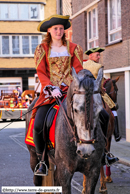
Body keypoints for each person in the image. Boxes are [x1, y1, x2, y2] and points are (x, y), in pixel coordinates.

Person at [32, 15, 83, 176]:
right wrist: (50, 87)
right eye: (56, 28)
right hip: (50, 93)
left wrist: (75, 86)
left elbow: (78, 70)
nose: (59, 31)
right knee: (38, 123)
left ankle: (103, 153)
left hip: (71, 91)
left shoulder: (74, 48)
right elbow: (41, 72)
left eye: (61, 28)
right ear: (49, 30)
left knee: (97, 113)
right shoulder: (42, 49)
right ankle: (42, 160)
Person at [83, 47, 120, 165]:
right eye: (97, 55)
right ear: (90, 56)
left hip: (82, 94)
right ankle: (115, 134)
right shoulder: (98, 67)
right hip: (95, 94)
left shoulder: (82, 65)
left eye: (99, 55)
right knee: (113, 110)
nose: (99, 57)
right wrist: (101, 88)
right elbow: (98, 83)